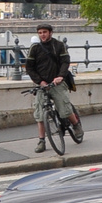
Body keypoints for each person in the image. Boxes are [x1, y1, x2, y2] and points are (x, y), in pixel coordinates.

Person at [26, 23, 82, 153]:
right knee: (40, 114)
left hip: (57, 82)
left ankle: (76, 125)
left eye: (45, 32)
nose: (42, 35)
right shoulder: (34, 48)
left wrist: (60, 76)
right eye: (40, 33)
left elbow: (65, 62)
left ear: (50, 33)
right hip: (42, 84)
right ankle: (41, 141)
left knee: (65, 109)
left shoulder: (58, 45)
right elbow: (29, 67)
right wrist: (40, 82)